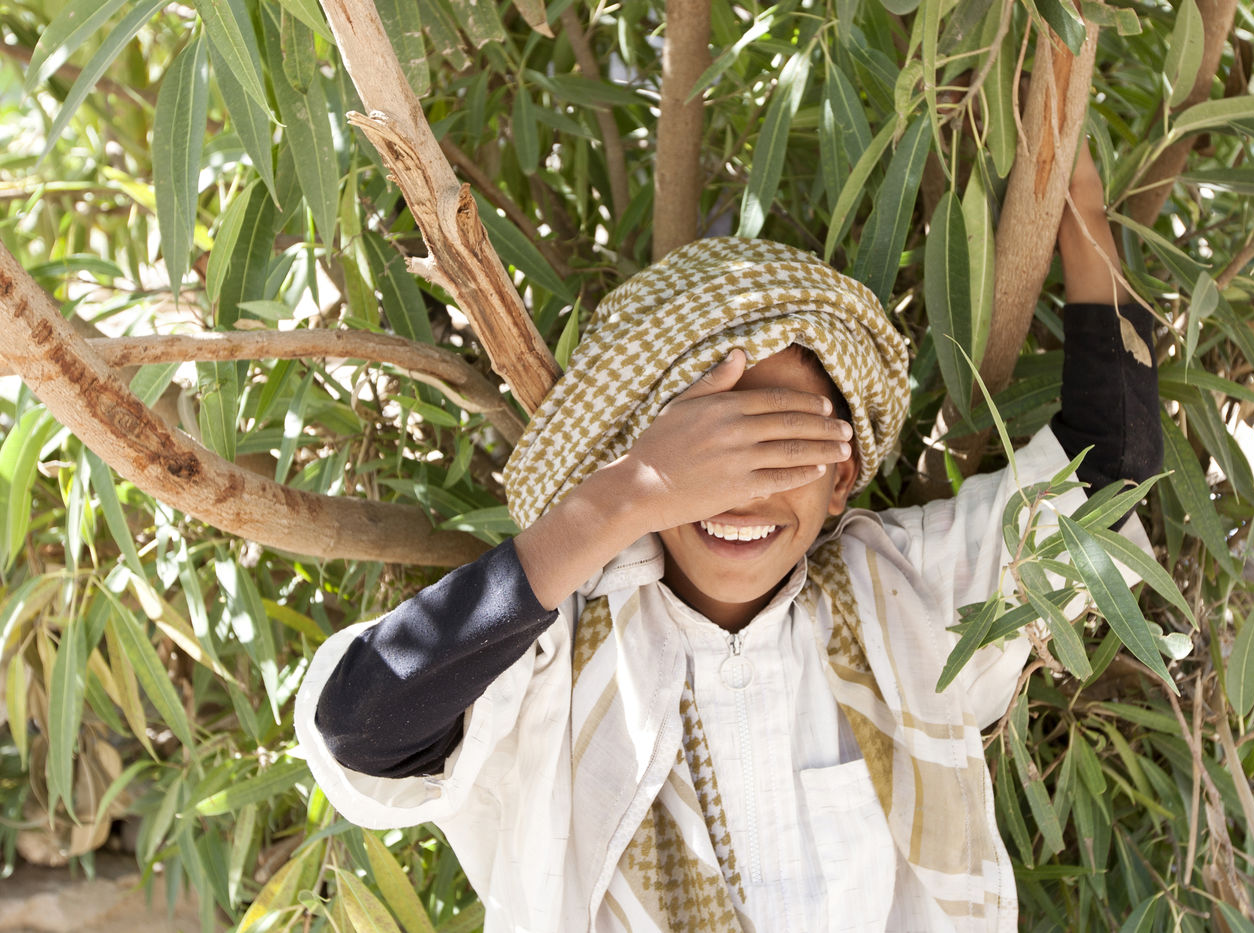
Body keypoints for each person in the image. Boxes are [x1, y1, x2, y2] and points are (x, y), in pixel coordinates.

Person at [294, 150, 1161, 932]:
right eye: (706, 455)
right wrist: (625, 494)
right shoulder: (552, 653)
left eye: (784, 447)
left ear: (842, 479)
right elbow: (362, 726)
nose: (742, 491)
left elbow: (1107, 479)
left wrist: (1078, 202)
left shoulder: (904, 598)